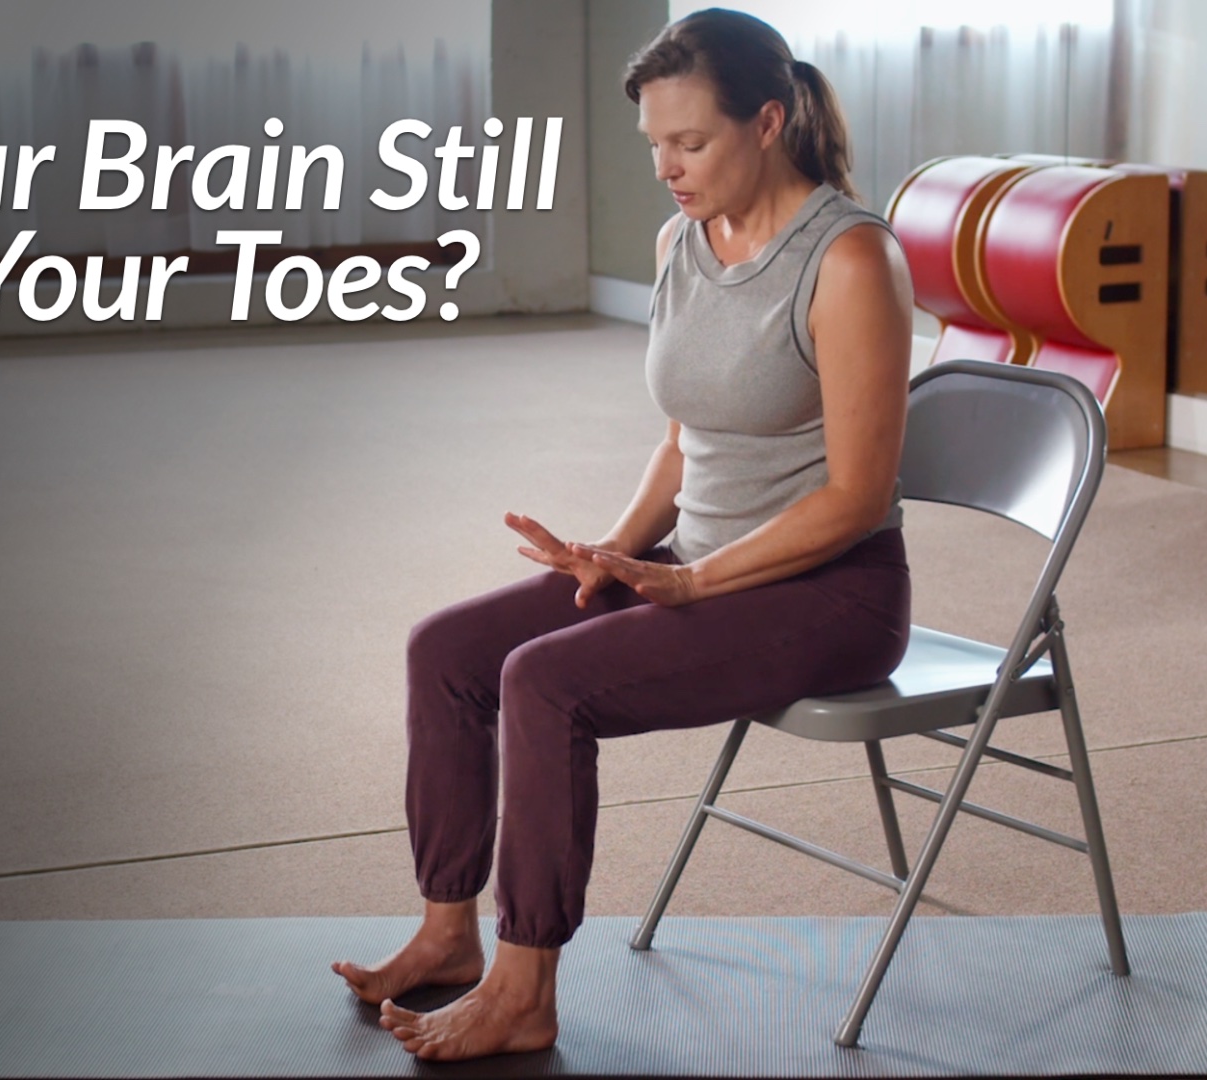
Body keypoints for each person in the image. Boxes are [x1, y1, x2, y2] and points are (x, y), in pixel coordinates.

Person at [331, 7, 916, 1062]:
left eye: (689, 142)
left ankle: (524, 987)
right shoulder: (680, 241)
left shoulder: (850, 260)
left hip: (830, 593)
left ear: (769, 121)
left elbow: (857, 498)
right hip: (697, 566)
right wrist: (609, 555)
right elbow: (686, 443)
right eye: (655, 143)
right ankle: (448, 934)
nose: (666, 167)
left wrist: (693, 586)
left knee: (545, 684)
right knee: (446, 652)